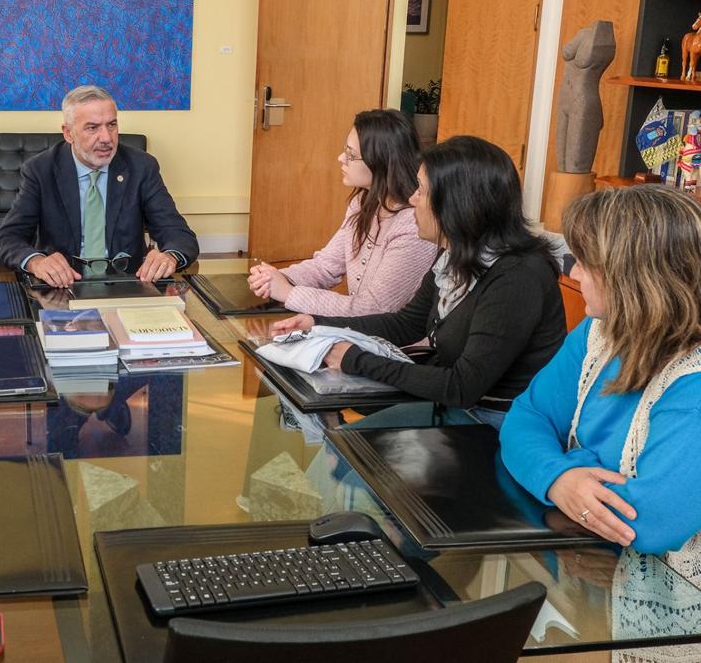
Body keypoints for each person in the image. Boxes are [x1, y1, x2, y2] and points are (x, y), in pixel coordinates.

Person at [271, 136, 565, 428]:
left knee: (342, 454)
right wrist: (318, 324)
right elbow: (406, 323)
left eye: (421, 191)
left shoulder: (517, 277)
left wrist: (355, 359)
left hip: (498, 425)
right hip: (457, 408)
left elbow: (461, 386)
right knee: (337, 448)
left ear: (456, 204)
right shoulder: (456, 254)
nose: (412, 200)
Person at [502, 186, 701, 556]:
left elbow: (646, 523)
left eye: (584, 261)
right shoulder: (599, 332)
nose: (574, 273)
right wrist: (561, 477)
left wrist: (567, 462)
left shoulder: (694, 386)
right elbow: (526, 416)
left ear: (633, 277)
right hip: (587, 558)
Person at [0, 84, 199, 287]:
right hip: (63, 285)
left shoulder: (141, 166)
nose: (107, 138)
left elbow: (179, 235)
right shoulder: (40, 170)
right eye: (92, 127)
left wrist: (170, 257)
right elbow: (6, 240)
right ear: (68, 133)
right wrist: (36, 262)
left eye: (112, 125)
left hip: (128, 283)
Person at [247, 109, 437, 315]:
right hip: (359, 332)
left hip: (394, 343)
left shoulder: (413, 224)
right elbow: (325, 267)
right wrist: (274, 278)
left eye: (350, 155)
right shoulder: (362, 203)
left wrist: (289, 293)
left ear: (381, 162)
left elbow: (373, 308)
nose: (340, 158)